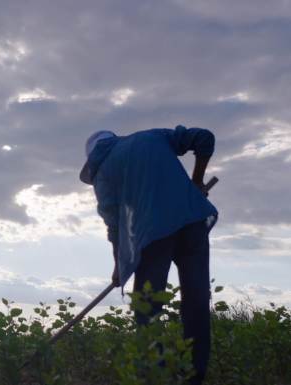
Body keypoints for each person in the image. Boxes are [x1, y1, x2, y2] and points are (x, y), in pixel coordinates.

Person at [80, 125, 218, 385]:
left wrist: (119, 265)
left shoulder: (103, 175)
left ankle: (160, 375)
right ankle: (193, 377)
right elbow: (204, 138)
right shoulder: (152, 137)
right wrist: (196, 181)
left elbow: (114, 227)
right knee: (196, 303)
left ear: (92, 157)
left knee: (147, 308)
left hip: (155, 237)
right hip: (193, 221)